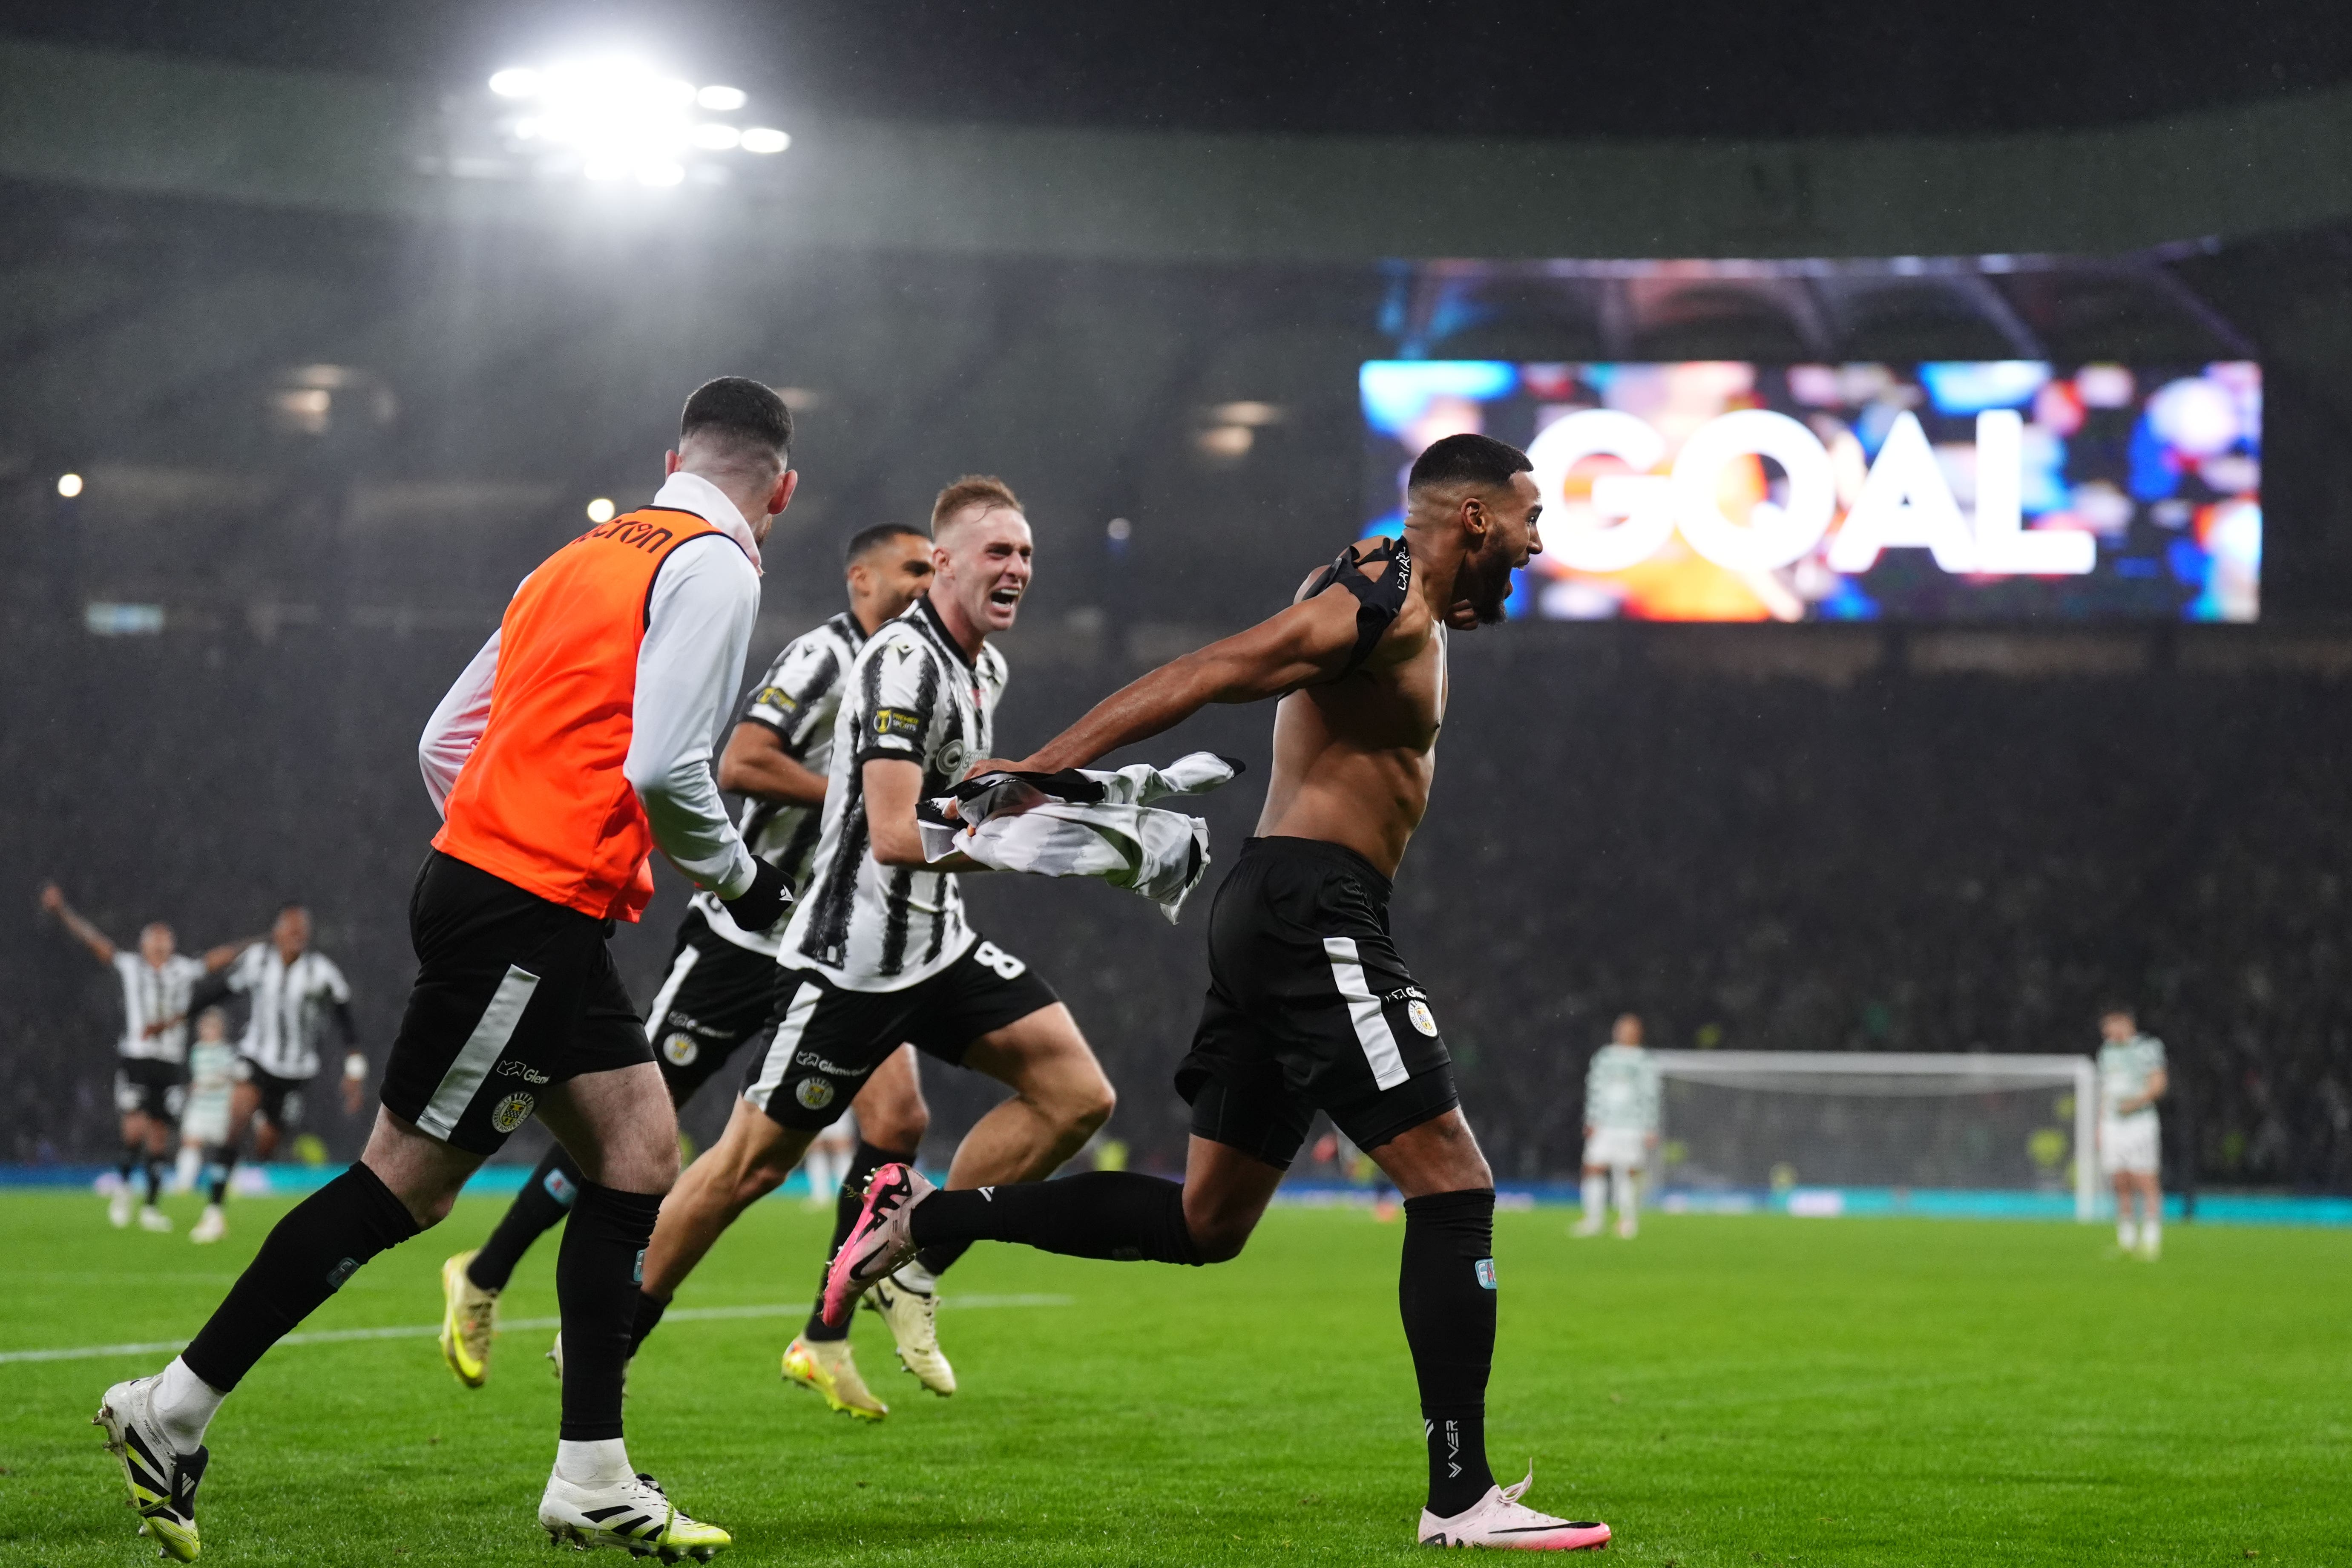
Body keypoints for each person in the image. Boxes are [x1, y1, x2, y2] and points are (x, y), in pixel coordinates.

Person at [824, 434, 1612, 1551]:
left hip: (1286, 912)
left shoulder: (1397, 599)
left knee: (1207, 1222)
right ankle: (1460, 1495)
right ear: (1474, 519)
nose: (1540, 543)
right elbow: (1211, 671)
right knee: (1453, 1179)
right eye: (1530, 519)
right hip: (1311, 912)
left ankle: (936, 1217)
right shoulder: (1379, 597)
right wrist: (1045, 767)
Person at [94, 377, 800, 1562]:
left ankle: (591, 1475)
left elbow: (444, 740)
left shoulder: (573, 560)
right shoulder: (719, 566)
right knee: (406, 1186)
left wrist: (495, 843)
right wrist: (744, 886)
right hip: (531, 911)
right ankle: (168, 1409)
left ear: (668, 456)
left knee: (637, 1154)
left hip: (523, 902)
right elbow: (671, 770)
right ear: (781, 490)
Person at [628, 475, 1117, 1423]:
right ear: (943, 562)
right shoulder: (901, 663)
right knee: (746, 1167)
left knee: (1077, 1095)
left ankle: (915, 1257)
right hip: (850, 959)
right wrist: (1059, 853)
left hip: (935, 946)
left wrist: (1100, 803)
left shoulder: (985, 668)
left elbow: (963, 790)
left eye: (1026, 555)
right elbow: (897, 835)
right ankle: (614, 1328)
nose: (1017, 568)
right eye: (998, 552)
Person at [436, 523, 939, 1404]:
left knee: (897, 1117)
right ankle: (484, 1271)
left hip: (829, 942)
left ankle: (825, 1331)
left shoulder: (919, 673)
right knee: (630, 1130)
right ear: (861, 576)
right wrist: (860, 800)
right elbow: (742, 759)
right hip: (742, 939)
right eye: (913, 568)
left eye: (936, 570)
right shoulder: (825, 656)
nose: (926, 583)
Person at [39, 883, 243, 1231]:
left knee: (161, 1134)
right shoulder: (131, 966)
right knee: (134, 1130)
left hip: (169, 1062)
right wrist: (63, 913)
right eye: (156, 939)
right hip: (137, 1058)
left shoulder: (183, 969)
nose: (163, 944)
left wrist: (254, 945)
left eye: (167, 939)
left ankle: (150, 1206)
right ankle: (122, 1189)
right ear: (144, 944)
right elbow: (95, 942)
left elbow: (216, 959)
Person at [185, 903, 367, 1241]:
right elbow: (224, 991)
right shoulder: (258, 960)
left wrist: (354, 1070)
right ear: (278, 931)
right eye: (292, 927)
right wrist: (183, 1013)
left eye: (303, 929)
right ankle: (213, 1213)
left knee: (266, 1146)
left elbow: (347, 1021)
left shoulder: (321, 972)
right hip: (256, 1057)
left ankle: (260, 1123)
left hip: (295, 1071)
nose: (298, 934)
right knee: (233, 1123)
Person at [1573, 1014, 1659, 1240]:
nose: (1625, 1033)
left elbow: (1650, 1095)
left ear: (1638, 1033)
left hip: (1632, 1126)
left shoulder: (1644, 1060)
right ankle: (1593, 1220)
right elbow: (1595, 1089)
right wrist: (1592, 1119)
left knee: (1628, 1172)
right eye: (1622, 1029)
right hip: (1605, 1125)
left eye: (1630, 1029)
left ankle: (1627, 1221)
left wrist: (1650, 1126)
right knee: (1593, 1167)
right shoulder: (1604, 1058)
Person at [2096, 1005, 2168, 1260]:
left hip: (2140, 1122)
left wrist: (2136, 1102)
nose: (2106, 1030)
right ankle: (2127, 1240)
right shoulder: (2106, 1052)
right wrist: (2100, 1125)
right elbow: (2105, 1091)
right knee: (2120, 1180)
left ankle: (2151, 1240)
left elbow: (2159, 1084)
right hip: (2114, 1124)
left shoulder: (2148, 1047)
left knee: (2145, 1178)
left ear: (2125, 1023)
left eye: (2110, 1024)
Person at [178, 1010, 239, 1235]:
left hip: (220, 1107)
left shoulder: (227, 1052)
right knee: (191, 1142)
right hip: (200, 1107)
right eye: (204, 1028)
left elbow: (229, 1077)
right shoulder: (197, 1051)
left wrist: (209, 1083)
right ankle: (185, 1184)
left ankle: (228, 1184)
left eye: (212, 1028)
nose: (207, 1032)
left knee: (223, 1150)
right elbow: (196, 1078)